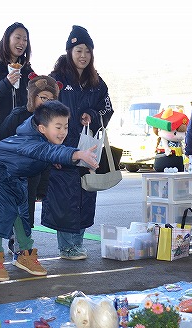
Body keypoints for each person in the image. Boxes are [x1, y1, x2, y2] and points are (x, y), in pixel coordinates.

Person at [0, 100, 99, 281]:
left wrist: (71, 160)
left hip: (16, 174)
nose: (63, 133)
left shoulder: (42, 138)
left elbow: (49, 154)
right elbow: (46, 151)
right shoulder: (29, 141)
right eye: (58, 127)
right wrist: (77, 154)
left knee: (22, 212)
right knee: (0, 211)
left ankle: (25, 254)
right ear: (42, 128)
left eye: (65, 127)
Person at [42, 25, 114, 260]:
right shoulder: (57, 80)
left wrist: (92, 115)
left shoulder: (97, 82)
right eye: (78, 50)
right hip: (62, 148)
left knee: (85, 194)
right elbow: (44, 112)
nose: (83, 55)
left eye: (87, 51)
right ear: (69, 51)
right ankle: (66, 247)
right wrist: (53, 148)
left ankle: (78, 243)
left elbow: (107, 108)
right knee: (65, 198)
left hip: (87, 146)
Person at [0, 74, 60, 237]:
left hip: (35, 176)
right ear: (33, 96)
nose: (47, 102)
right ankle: (15, 245)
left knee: (27, 213)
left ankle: (23, 246)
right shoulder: (18, 115)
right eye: (43, 97)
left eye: (51, 99)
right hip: (15, 174)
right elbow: (1, 140)